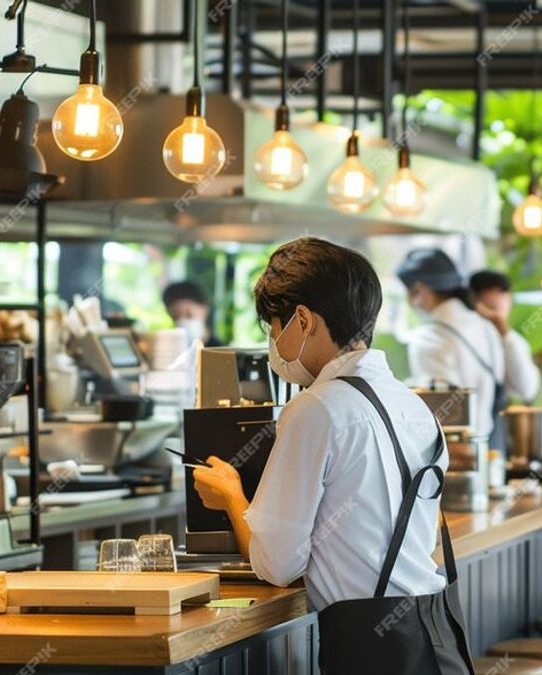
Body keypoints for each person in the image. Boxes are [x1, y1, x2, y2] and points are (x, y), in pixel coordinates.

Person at [190, 238, 469, 674]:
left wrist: (232, 497)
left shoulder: (316, 407)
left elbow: (277, 565)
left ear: (302, 319)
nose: (274, 341)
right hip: (432, 638)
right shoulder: (412, 404)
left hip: (371, 650)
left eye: (274, 325)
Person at [397, 248, 508, 450]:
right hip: (490, 451)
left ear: (418, 290)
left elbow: (442, 417)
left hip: (454, 458)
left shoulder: (429, 338)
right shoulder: (485, 327)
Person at [468, 270, 541, 403]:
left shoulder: (513, 341)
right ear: (475, 303)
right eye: (490, 306)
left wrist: (502, 329)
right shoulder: (466, 338)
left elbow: (527, 389)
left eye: (503, 293)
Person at [162, 280, 223, 347]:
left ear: (205, 309)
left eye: (189, 315)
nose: (182, 321)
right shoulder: (169, 351)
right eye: (176, 317)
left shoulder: (222, 352)